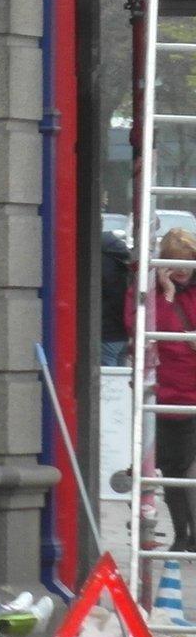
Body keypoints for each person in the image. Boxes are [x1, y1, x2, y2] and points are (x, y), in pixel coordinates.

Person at [133, 227, 196, 552]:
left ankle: (191, 535)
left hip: (190, 394)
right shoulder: (150, 293)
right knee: (171, 469)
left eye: (188, 262)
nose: (183, 270)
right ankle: (183, 534)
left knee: (189, 467)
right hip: (165, 395)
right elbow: (143, 329)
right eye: (175, 263)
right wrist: (168, 295)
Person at [102, 225, 132, 367]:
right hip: (123, 333)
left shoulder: (100, 260)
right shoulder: (123, 259)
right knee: (121, 381)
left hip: (105, 332)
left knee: (106, 383)